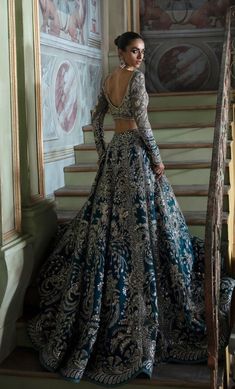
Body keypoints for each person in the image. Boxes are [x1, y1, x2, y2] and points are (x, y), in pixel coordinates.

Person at [28, 31, 235, 386]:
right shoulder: (135, 80)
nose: (140, 57)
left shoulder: (109, 80)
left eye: (142, 52)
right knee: (145, 223)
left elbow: (95, 121)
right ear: (122, 51)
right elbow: (145, 125)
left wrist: (103, 152)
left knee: (116, 224)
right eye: (135, 51)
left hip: (114, 157)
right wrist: (157, 160)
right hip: (137, 155)